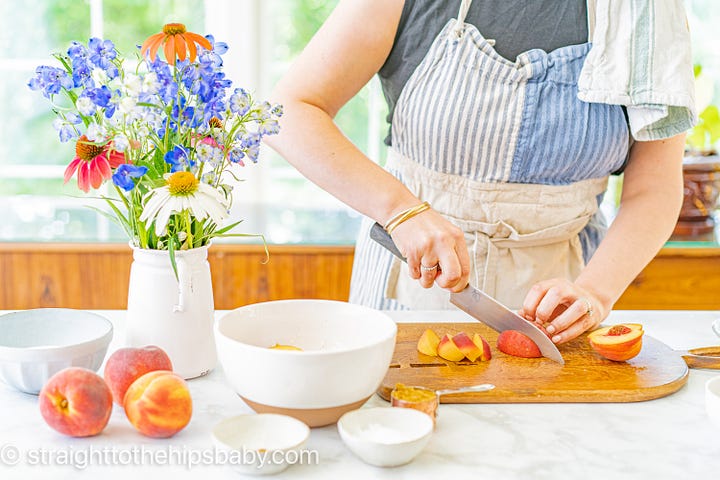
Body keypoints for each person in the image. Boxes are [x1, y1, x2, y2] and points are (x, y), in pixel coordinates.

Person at [265, 0, 694, 344]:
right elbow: (287, 112)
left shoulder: (649, 16)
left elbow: (654, 188)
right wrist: (400, 210)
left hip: (561, 305)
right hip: (415, 287)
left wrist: (596, 292)